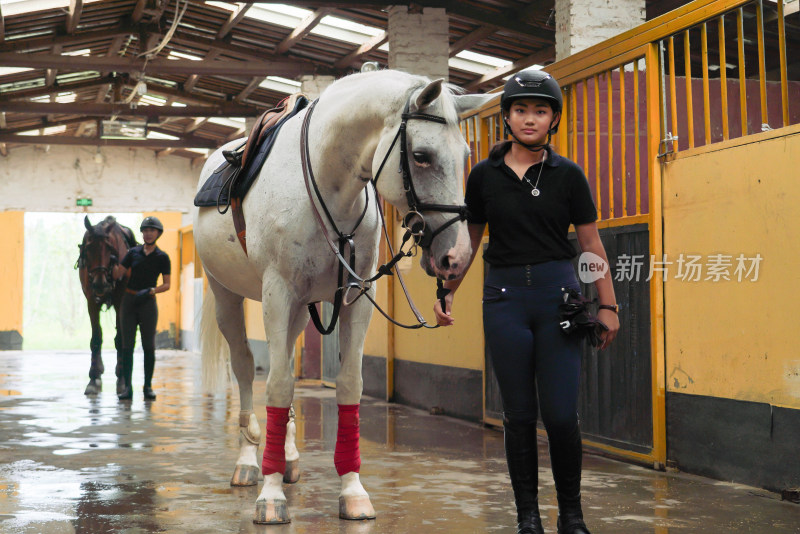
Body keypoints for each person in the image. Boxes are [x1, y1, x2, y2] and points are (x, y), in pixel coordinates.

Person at [434, 68, 620, 534]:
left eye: (540, 111)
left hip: (558, 298)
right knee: (518, 416)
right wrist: (447, 291)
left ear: (554, 118)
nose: (530, 118)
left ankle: (572, 515)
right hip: (504, 300)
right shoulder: (483, 177)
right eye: (521, 110)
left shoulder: (568, 175)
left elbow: (591, 246)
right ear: (507, 117)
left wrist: (608, 306)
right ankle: (528, 518)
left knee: (560, 415)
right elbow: (471, 242)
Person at [118, 216, 171, 401]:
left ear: (158, 233)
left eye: (152, 230)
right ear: (142, 233)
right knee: (127, 346)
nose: (148, 233)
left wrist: (152, 291)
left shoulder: (162, 257)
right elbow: (119, 273)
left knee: (149, 346)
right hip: (129, 301)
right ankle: (127, 388)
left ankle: (148, 386)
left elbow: (167, 284)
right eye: (145, 230)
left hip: (148, 302)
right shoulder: (132, 253)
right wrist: (114, 265)